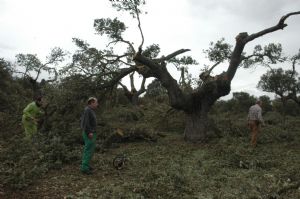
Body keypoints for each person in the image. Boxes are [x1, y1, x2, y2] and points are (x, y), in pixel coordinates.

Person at [80, 97, 98, 174]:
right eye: (96, 102)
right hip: (89, 134)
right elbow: (85, 123)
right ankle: (84, 168)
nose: (97, 104)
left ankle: (86, 165)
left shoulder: (91, 110)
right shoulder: (87, 110)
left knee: (90, 150)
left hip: (92, 133)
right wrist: (89, 132)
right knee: (88, 150)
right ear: (91, 103)